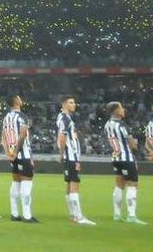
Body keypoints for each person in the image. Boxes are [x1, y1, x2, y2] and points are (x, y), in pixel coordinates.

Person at [103, 101, 144, 224]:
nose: (123, 109)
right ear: (116, 110)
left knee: (119, 185)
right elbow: (131, 143)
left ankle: (117, 214)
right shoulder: (122, 125)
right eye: (121, 108)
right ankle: (131, 215)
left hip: (116, 157)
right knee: (132, 184)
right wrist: (136, 149)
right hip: (126, 158)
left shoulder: (107, 125)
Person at [57, 95, 94, 225]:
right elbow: (62, 137)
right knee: (74, 185)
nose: (74, 105)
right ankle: (78, 217)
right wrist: (61, 153)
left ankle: (73, 215)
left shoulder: (65, 118)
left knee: (69, 184)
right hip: (71, 157)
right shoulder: (65, 119)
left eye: (74, 102)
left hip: (69, 157)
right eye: (71, 102)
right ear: (64, 104)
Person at [2, 95, 37, 222]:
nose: (21, 99)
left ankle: (14, 214)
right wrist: (16, 152)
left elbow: (3, 138)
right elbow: (22, 135)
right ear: (16, 101)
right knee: (26, 183)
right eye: (19, 98)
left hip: (13, 156)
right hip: (23, 155)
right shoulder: (22, 116)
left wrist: (8, 153)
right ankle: (27, 216)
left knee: (16, 182)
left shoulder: (6, 117)